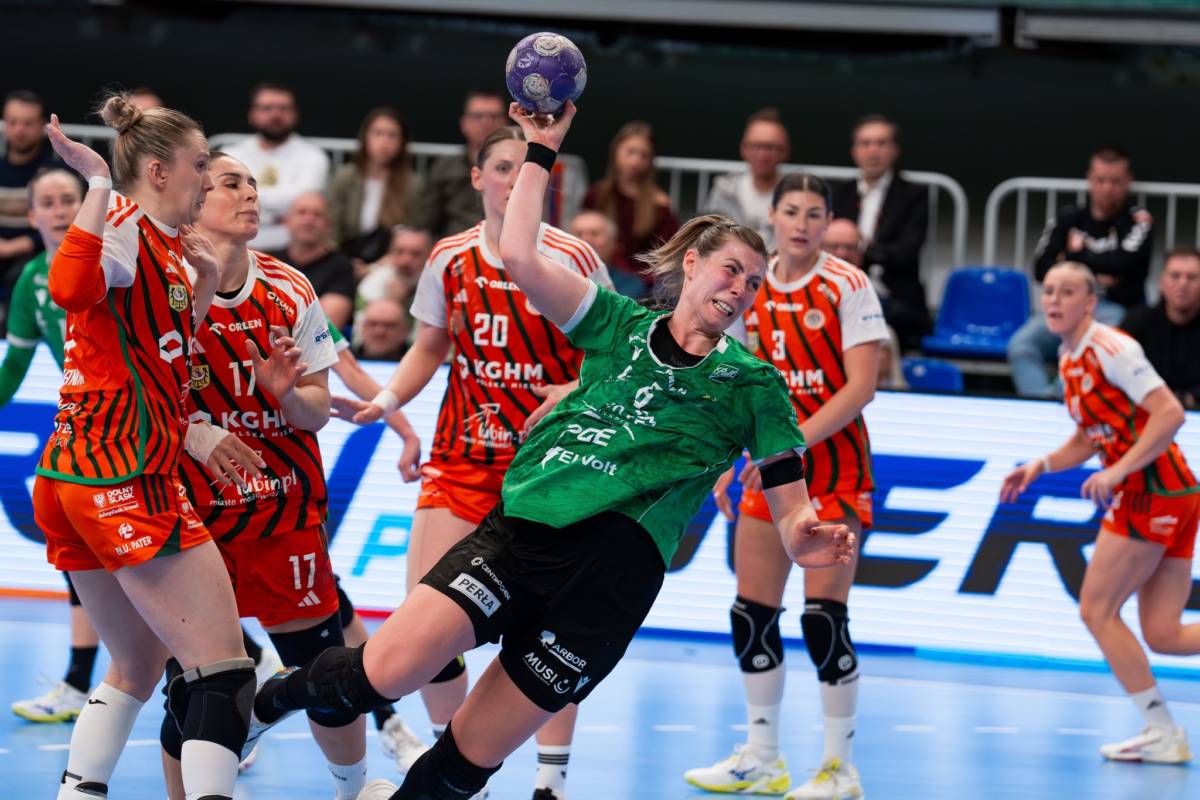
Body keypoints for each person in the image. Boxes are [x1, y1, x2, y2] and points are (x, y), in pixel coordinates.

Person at [244, 99, 855, 800]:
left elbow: (787, 493)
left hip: (610, 587)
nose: (740, 289)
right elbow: (519, 255)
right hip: (522, 538)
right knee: (378, 674)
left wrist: (799, 532)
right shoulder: (617, 323)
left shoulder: (754, 384)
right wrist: (541, 150)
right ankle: (267, 702)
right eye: (731, 270)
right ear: (691, 264)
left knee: (465, 761)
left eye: (753, 282)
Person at [327, 123, 614, 799]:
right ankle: (457, 777)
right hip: (461, 460)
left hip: (551, 471)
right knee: (424, 627)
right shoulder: (450, 257)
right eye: (502, 167)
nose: (514, 179)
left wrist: (575, 387)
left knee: (549, 635)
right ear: (479, 178)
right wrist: (385, 399)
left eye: (526, 166)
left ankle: (550, 782)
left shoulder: (572, 255)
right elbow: (430, 346)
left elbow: (613, 353)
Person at [33, 96, 265, 800]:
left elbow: (163, 352)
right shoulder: (125, 226)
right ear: (160, 171)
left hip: (75, 477)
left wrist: (202, 283)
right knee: (225, 670)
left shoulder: (167, 245)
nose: (210, 180)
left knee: (135, 665)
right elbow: (68, 287)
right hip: (122, 477)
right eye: (202, 165)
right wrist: (98, 182)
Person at [157, 151, 367, 800]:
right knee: (194, 684)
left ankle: (353, 788)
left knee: (326, 673)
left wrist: (285, 394)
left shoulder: (290, 287)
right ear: (195, 199)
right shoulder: (160, 281)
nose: (250, 193)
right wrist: (196, 434)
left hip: (284, 512)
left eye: (253, 182)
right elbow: (139, 398)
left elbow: (317, 412)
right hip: (194, 521)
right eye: (232, 183)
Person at [685, 174, 886, 800]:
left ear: (828, 223)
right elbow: (739, 381)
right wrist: (729, 458)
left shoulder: (847, 284)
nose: (802, 223)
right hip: (771, 469)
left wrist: (792, 441)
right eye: (791, 211)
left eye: (815, 214)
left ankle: (839, 771)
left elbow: (861, 388)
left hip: (835, 471)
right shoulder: (752, 282)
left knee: (823, 621)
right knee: (751, 614)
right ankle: (762, 757)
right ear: (771, 215)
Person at [1001, 260, 1199, 764]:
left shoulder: (1112, 348)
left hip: (1151, 492)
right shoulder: (1068, 357)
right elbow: (1093, 435)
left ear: (1090, 302)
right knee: (1164, 634)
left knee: (1096, 610)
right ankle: (1163, 732)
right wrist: (1042, 465)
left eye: (1067, 292)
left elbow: (1170, 413)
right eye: (1049, 290)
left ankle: (1162, 730)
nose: (1054, 299)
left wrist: (1118, 471)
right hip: (1172, 493)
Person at [3, 168, 104, 723]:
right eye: (49, 201)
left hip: (140, 425)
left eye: (70, 198)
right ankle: (77, 683)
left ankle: (242, 661)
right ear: (32, 216)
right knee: (79, 552)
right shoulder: (32, 279)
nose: (61, 208)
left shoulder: (113, 258)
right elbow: (16, 364)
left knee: (154, 562)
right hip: (85, 427)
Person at [1008, 146, 1152, 398]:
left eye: (1115, 181)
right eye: (1101, 180)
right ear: (1089, 178)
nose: (1107, 188)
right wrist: (1101, 271)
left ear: (1128, 181)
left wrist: (1073, 257)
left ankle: (1065, 403)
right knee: (1022, 344)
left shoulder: (1138, 220)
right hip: (1065, 304)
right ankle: (1042, 401)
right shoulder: (1069, 217)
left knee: (1089, 349)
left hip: (1115, 308)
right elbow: (1041, 268)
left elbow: (1124, 264)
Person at [831, 114, 928, 349]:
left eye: (881, 143)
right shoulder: (838, 194)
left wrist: (861, 248)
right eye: (865, 143)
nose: (873, 151)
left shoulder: (914, 195)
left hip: (894, 298)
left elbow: (907, 252)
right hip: (839, 290)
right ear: (855, 151)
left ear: (895, 150)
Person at [225, 82, 330, 251]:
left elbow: (305, 203)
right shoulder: (231, 155)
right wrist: (282, 208)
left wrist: (245, 198)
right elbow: (225, 200)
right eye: (267, 108)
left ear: (295, 115)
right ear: (252, 114)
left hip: (291, 249)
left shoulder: (314, 157)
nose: (275, 115)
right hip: (237, 243)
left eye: (283, 108)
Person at [582, 121, 679, 298]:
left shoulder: (660, 205)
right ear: (616, 151)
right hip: (595, 271)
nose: (635, 161)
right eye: (630, 152)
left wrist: (642, 281)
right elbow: (580, 239)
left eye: (644, 155)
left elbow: (665, 256)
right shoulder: (596, 195)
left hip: (639, 284)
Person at [328, 107, 428, 265]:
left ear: (402, 142)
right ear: (365, 137)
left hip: (392, 263)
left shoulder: (413, 185)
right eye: (378, 133)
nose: (384, 141)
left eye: (392, 135)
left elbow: (411, 233)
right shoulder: (345, 177)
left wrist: (376, 267)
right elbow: (331, 229)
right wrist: (345, 262)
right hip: (344, 258)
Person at [1, 90, 60, 322]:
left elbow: (64, 223)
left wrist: (22, 244)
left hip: (38, 252)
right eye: (13, 122)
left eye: (28, 123)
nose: (19, 130)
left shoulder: (55, 175)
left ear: (42, 126)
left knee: (22, 276)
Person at [1121, 249, 1200, 409]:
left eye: (1192, 277)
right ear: (1161, 282)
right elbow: (1118, 372)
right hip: (1146, 410)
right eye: (1175, 276)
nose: (1183, 284)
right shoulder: (1136, 322)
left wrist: (1192, 397)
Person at [425, 90, 508, 239]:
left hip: (507, 244)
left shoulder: (522, 168)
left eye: (494, 116)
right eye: (478, 116)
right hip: (455, 245)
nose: (486, 123)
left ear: (505, 122)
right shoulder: (444, 168)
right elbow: (426, 221)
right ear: (464, 123)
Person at [705, 108, 790, 250]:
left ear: (785, 151)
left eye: (771, 147)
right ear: (743, 149)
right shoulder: (724, 190)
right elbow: (706, 238)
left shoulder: (796, 195)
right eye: (755, 146)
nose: (763, 155)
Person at [270, 191, 356, 329]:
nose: (309, 220)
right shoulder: (269, 262)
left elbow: (323, 328)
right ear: (286, 221)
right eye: (302, 212)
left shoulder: (341, 267)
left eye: (317, 215)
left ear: (328, 225)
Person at [357, 225, 432, 310]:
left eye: (416, 254)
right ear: (390, 253)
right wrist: (392, 302)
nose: (406, 261)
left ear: (429, 256)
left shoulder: (438, 287)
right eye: (400, 252)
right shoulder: (371, 286)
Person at [354, 297, 411, 361]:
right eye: (373, 324)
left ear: (405, 329)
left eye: (389, 325)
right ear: (361, 326)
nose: (379, 331)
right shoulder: (346, 360)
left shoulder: (416, 364)